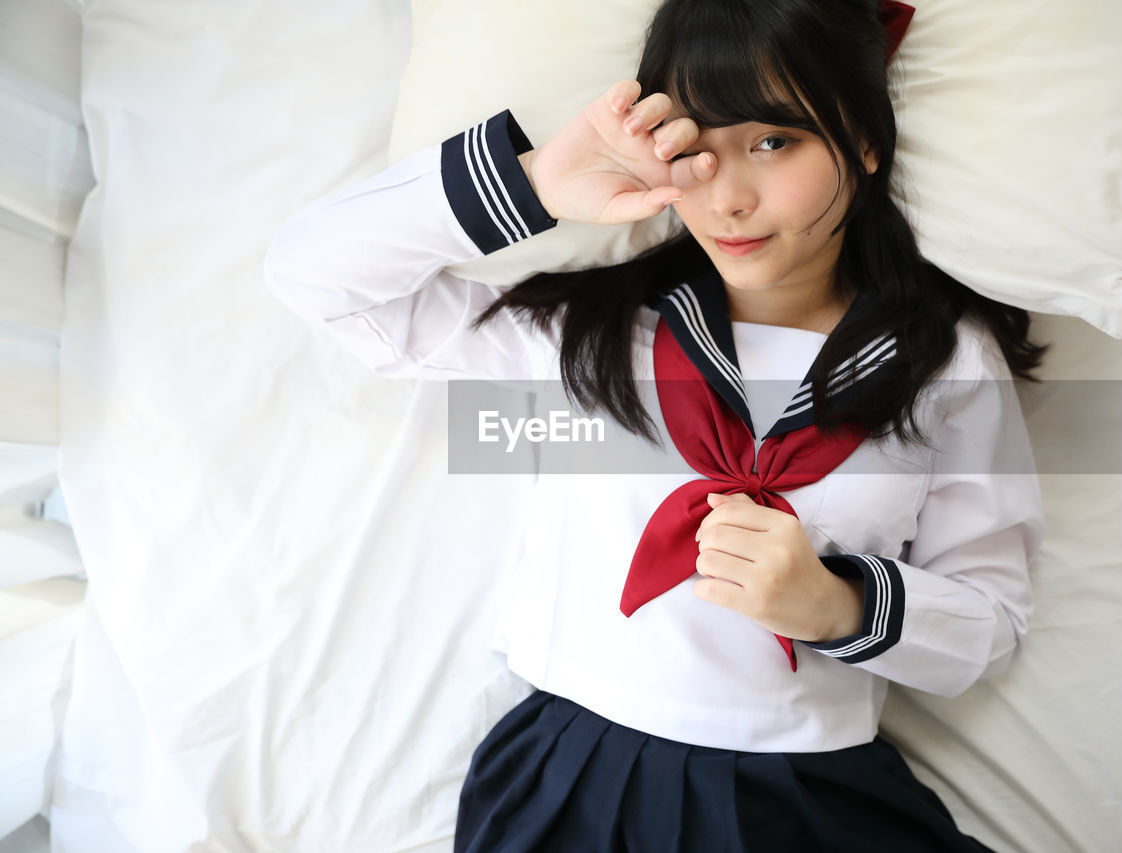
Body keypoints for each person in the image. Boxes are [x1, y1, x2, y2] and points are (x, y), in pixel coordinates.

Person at [264, 0, 1047, 849]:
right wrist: (537, 184)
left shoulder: (941, 362)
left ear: (862, 142)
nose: (730, 196)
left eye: (774, 141)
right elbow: (315, 277)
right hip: (572, 780)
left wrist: (832, 603)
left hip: (810, 795)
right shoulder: (594, 332)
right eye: (697, 147)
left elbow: (991, 622)